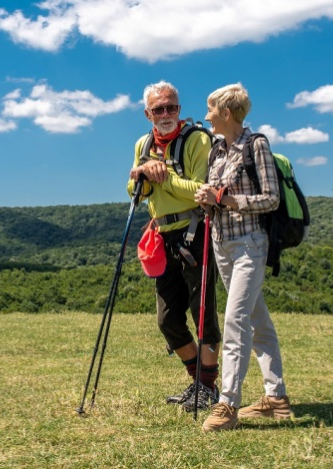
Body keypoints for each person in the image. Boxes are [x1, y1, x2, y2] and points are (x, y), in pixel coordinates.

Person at [195, 83, 292, 431]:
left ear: (226, 113)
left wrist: (231, 201)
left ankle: (227, 405)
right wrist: (207, 197)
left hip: (251, 243)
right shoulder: (216, 151)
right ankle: (276, 398)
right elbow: (217, 196)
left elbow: (271, 198)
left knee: (235, 320)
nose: (206, 117)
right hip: (222, 244)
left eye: (211, 111)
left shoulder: (256, 145)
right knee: (256, 318)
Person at [127, 81, 221, 411]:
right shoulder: (143, 143)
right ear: (147, 113)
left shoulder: (197, 139)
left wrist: (161, 174)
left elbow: (200, 189)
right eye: (159, 109)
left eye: (172, 108)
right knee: (167, 320)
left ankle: (207, 388)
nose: (166, 114)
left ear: (179, 109)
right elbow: (133, 191)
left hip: (196, 233)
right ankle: (199, 382)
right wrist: (142, 174)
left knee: (203, 314)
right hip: (163, 236)